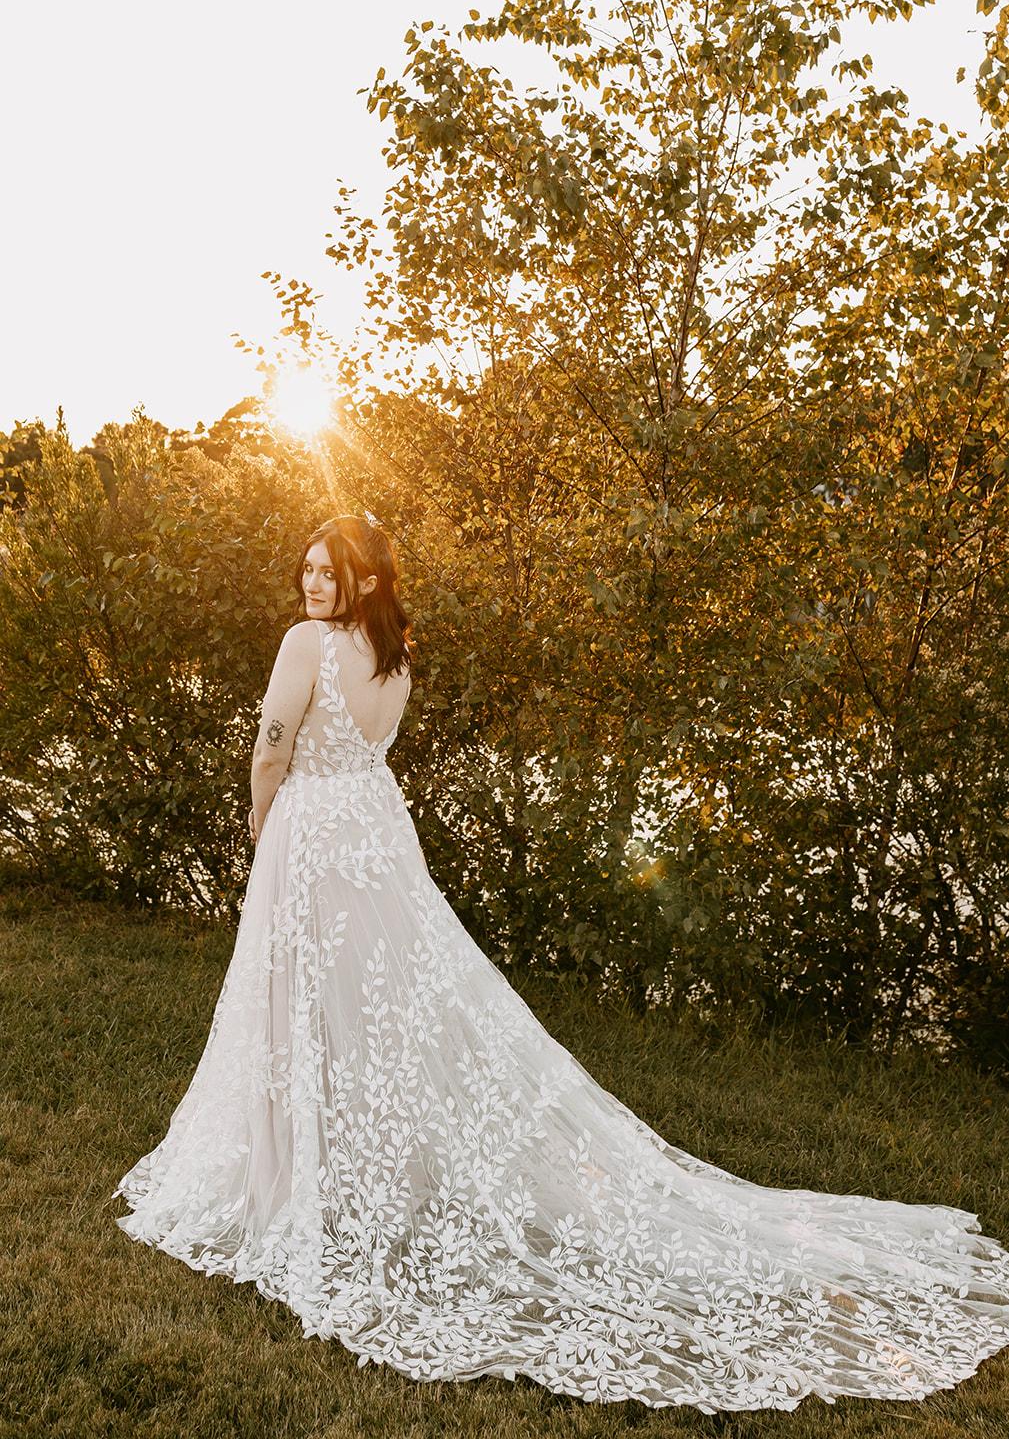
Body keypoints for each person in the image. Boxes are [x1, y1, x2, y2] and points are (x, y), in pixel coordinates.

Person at [111, 514, 1009, 1412]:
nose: (309, 584)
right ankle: (337, 1174)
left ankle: (291, 1185)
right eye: (305, 569)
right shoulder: (394, 659)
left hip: (314, 834)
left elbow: (272, 746)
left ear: (368, 580)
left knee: (302, 1002)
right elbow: (366, 749)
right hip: (374, 834)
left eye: (327, 570)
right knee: (374, 1005)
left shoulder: (305, 644)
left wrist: (261, 822)